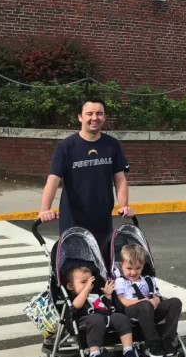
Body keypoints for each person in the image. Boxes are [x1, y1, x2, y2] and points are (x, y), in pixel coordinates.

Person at [38, 98, 134, 254]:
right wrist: (44, 209)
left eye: (99, 114)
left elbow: (120, 178)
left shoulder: (112, 145)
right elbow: (53, 180)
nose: (95, 118)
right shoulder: (66, 147)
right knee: (77, 273)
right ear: (80, 117)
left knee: (101, 270)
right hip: (73, 223)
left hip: (102, 221)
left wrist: (124, 205)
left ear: (104, 117)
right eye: (89, 113)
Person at [64, 265, 139, 357]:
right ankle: (94, 355)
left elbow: (106, 305)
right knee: (97, 320)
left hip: (106, 317)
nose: (89, 285)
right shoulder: (77, 297)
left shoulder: (95, 294)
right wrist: (86, 290)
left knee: (122, 318)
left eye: (90, 281)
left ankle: (128, 350)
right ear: (70, 286)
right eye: (83, 282)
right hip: (88, 320)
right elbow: (76, 305)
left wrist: (107, 295)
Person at [114, 243, 183, 357]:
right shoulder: (121, 281)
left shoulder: (148, 280)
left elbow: (157, 296)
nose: (133, 272)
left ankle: (168, 339)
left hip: (151, 308)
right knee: (145, 305)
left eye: (137, 268)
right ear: (121, 266)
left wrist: (155, 301)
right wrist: (144, 302)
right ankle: (153, 344)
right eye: (129, 268)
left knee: (175, 302)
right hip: (132, 310)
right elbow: (123, 301)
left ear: (143, 266)